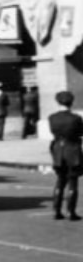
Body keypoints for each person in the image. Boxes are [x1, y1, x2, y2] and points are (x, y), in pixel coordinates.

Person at [48, 91, 83, 221]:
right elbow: (80, 133)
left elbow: (53, 132)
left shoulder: (52, 117)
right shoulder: (76, 118)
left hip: (58, 149)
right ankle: (70, 211)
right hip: (72, 149)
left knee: (60, 181)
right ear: (71, 102)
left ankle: (56, 210)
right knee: (73, 182)